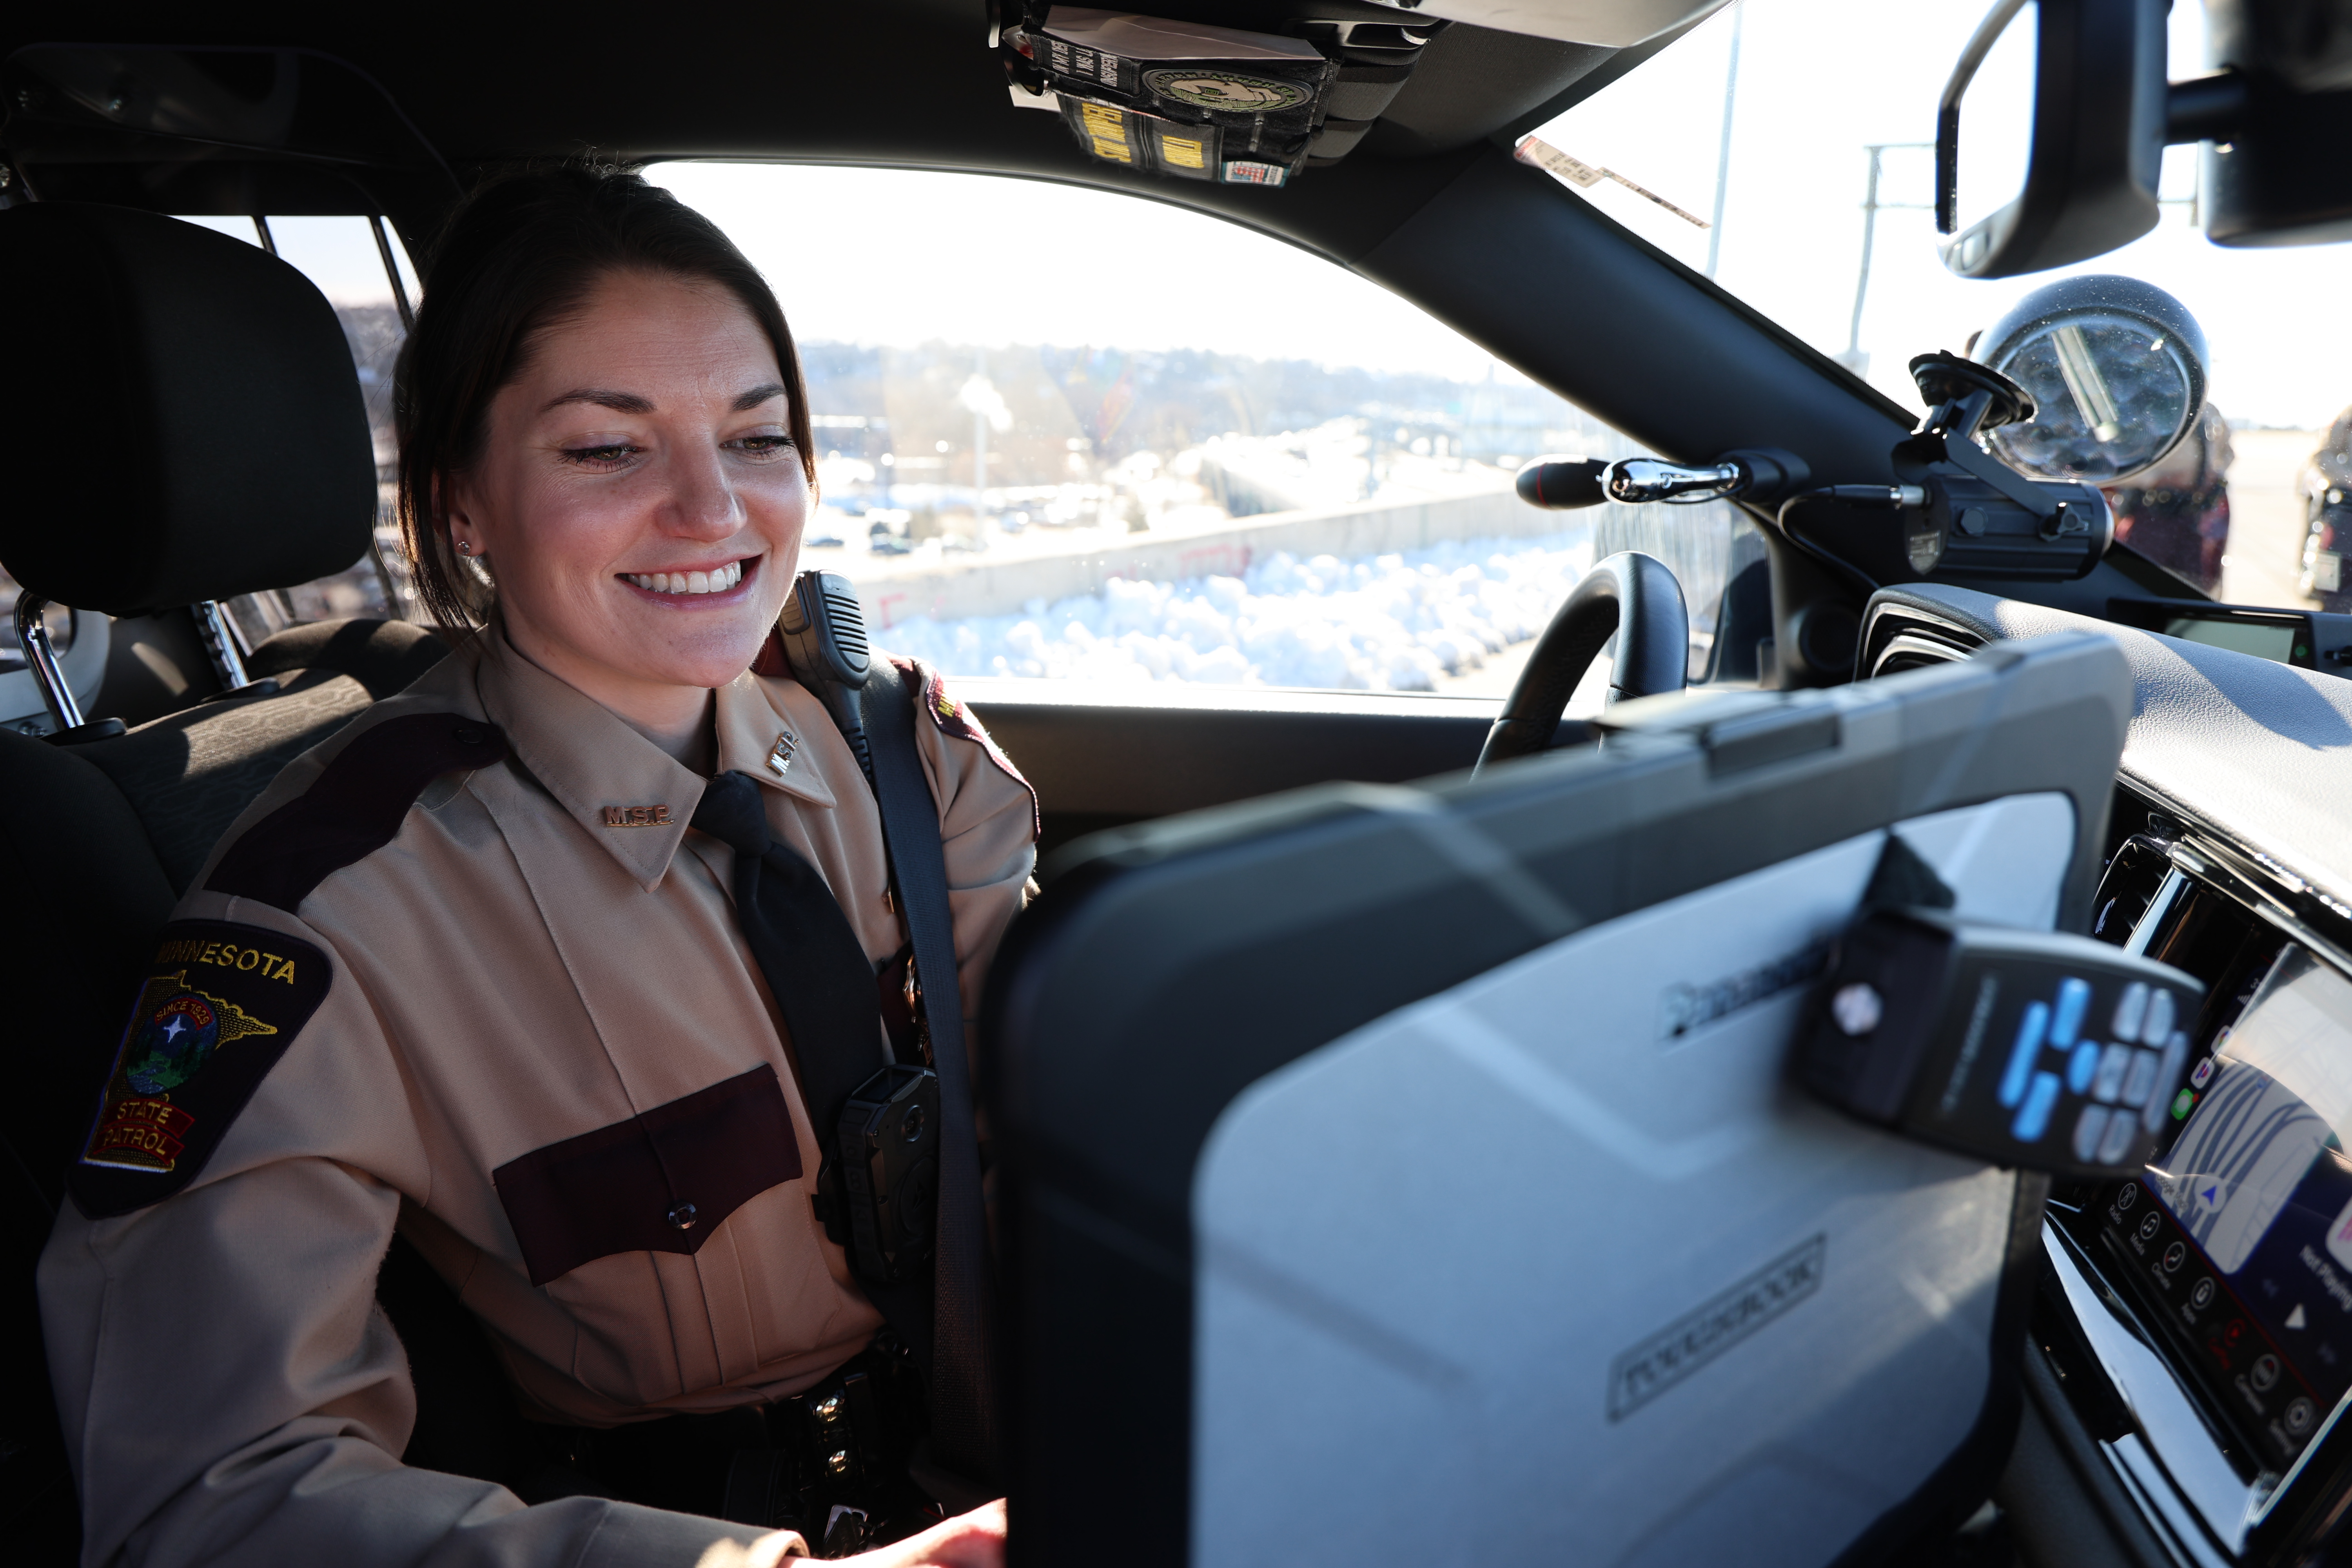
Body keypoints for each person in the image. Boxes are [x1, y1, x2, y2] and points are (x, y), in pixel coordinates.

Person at [39, 166, 1036, 1566]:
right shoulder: (325, 917)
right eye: (605, 450)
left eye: (756, 438)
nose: (714, 512)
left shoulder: (902, 764)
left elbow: (1062, 1143)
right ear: (460, 504)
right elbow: (208, 1496)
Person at [2105, 402, 2235, 594]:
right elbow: (2117, 464)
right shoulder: (2144, 409)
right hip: (2153, 513)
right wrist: (2155, 480)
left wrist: (2211, 476)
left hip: (2195, 516)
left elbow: (2227, 454)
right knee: (2139, 583)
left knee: (2196, 584)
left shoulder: (2206, 410)